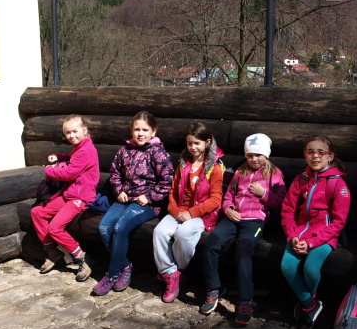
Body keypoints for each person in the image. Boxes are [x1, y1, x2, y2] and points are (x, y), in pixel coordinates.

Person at [201, 133, 286, 325]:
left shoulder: (274, 174)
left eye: (258, 155)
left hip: (255, 220)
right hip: (234, 217)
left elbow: (282, 202)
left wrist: (264, 193)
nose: (254, 159)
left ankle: (245, 299)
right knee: (210, 243)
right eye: (250, 155)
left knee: (244, 246)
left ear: (266, 155)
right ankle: (214, 288)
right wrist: (228, 210)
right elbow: (229, 195)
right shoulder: (240, 172)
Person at [93, 111, 174, 296]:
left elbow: (167, 182)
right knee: (104, 227)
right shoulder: (125, 151)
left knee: (120, 228)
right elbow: (115, 173)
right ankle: (125, 266)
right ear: (131, 130)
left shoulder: (159, 154)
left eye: (145, 130)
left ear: (153, 131)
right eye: (137, 129)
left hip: (147, 203)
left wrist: (150, 197)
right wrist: (119, 190)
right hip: (125, 198)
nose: (140, 133)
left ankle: (112, 274)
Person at [281, 135, 350, 329]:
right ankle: (310, 304)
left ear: (330, 156)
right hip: (299, 233)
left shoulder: (338, 184)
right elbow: (288, 210)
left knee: (311, 268)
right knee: (287, 266)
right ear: (305, 155)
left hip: (324, 236)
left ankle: (307, 301)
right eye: (310, 152)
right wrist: (292, 235)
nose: (315, 156)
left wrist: (311, 243)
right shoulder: (300, 180)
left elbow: (338, 222)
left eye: (321, 152)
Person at [153, 122, 224, 303]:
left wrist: (191, 213)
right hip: (179, 211)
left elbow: (216, 199)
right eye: (190, 143)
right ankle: (170, 273)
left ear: (207, 142)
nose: (193, 147)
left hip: (202, 214)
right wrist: (175, 210)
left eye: (197, 143)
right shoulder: (183, 165)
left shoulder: (214, 167)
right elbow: (172, 192)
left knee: (183, 234)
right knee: (159, 232)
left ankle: (180, 269)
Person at [32, 115, 99, 280]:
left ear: (85, 130)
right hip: (69, 194)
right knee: (37, 212)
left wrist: (49, 170)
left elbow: (69, 173)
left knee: (55, 227)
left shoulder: (86, 150)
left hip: (81, 197)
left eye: (75, 131)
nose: (71, 135)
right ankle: (52, 251)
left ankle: (82, 258)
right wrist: (60, 157)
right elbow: (72, 160)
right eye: (68, 133)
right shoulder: (79, 147)